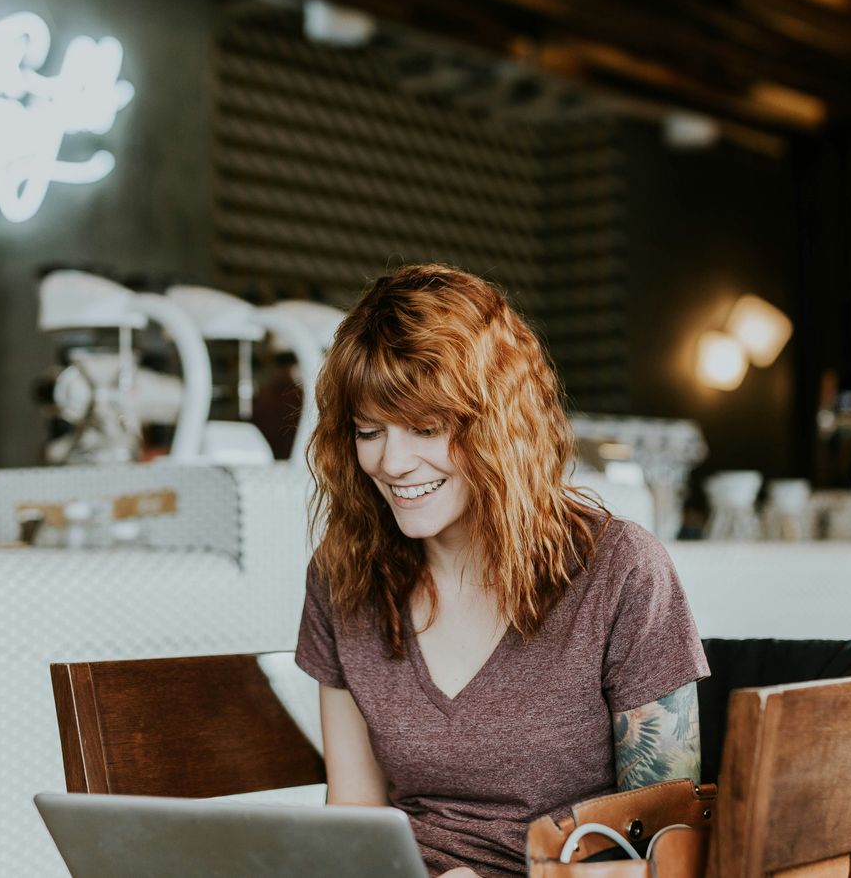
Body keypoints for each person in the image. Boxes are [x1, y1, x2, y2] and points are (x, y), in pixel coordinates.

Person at [295, 264, 709, 878]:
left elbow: (672, 851)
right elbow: (353, 817)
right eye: (369, 431)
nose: (392, 462)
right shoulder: (343, 577)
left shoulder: (620, 571)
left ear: (498, 425)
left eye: (427, 428)